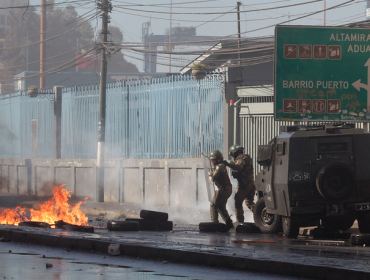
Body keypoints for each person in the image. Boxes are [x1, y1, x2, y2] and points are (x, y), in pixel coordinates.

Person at [224, 145, 256, 223]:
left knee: (237, 202)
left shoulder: (241, 159)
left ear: (235, 153)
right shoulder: (246, 158)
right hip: (251, 185)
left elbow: (238, 167)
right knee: (250, 203)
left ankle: (240, 221)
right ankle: (260, 216)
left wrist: (227, 164)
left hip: (244, 186)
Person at [208, 150, 234, 228]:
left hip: (224, 190)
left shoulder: (220, 166)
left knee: (214, 203)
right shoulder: (219, 166)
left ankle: (215, 223)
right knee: (220, 206)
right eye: (211, 160)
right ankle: (229, 223)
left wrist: (209, 174)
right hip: (224, 189)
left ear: (218, 159)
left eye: (213, 160)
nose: (212, 161)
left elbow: (213, 178)